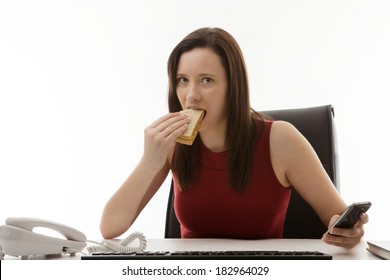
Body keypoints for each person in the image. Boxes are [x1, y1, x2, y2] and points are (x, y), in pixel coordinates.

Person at [100, 27, 368, 249]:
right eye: (182, 79)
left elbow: (340, 221)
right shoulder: (173, 144)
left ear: (233, 87)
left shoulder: (281, 139)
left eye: (206, 80)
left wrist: (349, 231)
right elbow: (110, 227)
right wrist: (150, 161)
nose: (191, 95)